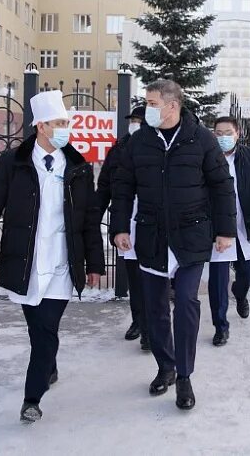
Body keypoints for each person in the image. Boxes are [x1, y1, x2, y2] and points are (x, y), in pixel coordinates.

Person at [0, 90, 104, 424]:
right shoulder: (14, 162)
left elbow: (88, 220)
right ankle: (49, 365)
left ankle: (32, 397)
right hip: (25, 261)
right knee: (38, 329)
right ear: (41, 126)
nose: (66, 130)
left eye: (67, 124)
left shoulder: (78, 167)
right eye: (60, 123)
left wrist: (95, 265)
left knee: (46, 328)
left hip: (61, 261)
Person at [109, 79, 236, 411]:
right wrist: (120, 226)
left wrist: (225, 231)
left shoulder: (202, 139)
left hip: (191, 236)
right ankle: (166, 367)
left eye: (152, 103)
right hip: (151, 236)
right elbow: (122, 186)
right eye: (147, 103)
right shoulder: (140, 142)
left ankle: (184, 377)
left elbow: (222, 185)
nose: (148, 109)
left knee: (186, 302)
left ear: (172, 105)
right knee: (155, 309)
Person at [208, 116, 250, 346]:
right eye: (218, 133)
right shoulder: (206, 158)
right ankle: (220, 326)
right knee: (217, 280)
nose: (222, 137)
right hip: (219, 228)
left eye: (227, 132)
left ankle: (240, 294)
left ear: (238, 133)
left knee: (246, 272)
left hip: (245, 225)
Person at [95, 105, 150, 351]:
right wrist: (93, 216)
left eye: (139, 120)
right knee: (134, 279)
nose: (134, 124)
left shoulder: (156, 147)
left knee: (154, 281)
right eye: (133, 120)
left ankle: (152, 328)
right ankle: (138, 321)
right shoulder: (120, 148)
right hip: (125, 223)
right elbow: (105, 183)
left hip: (153, 224)